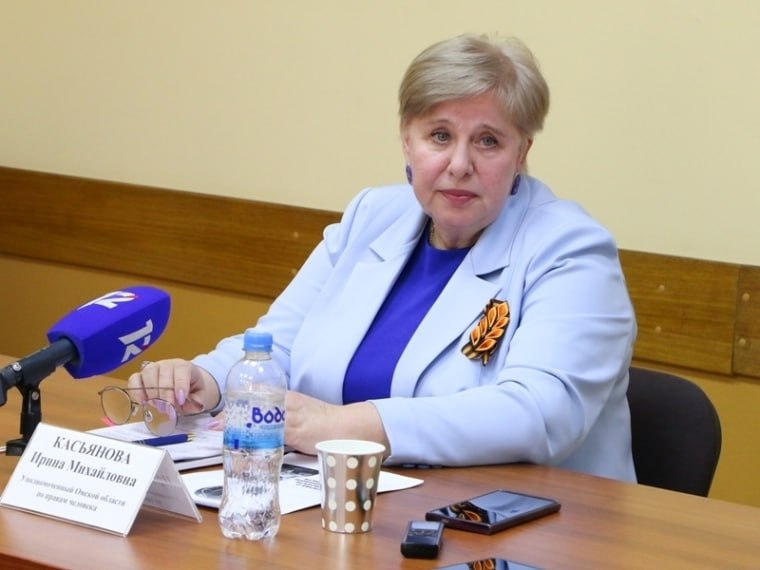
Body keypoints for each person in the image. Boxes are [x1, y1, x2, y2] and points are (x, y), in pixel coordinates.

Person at [129, 33, 637, 482]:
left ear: (521, 153)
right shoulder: (373, 215)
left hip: (530, 527)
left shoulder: (571, 250)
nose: (459, 164)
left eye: (488, 141)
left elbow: (540, 414)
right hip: (358, 504)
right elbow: (280, 346)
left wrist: (340, 426)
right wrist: (207, 380)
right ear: (407, 142)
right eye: (440, 136)